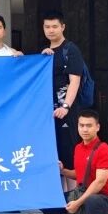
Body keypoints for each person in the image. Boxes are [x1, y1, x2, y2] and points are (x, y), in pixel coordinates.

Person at [42, 110, 108, 214]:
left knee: (92, 201)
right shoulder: (78, 148)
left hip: (104, 199)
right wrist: (62, 170)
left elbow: (99, 182)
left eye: (89, 125)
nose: (85, 129)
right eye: (81, 125)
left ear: (97, 127)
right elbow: (79, 174)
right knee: (48, 204)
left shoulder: (104, 150)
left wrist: (77, 203)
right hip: (82, 193)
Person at [40, 10, 87, 168]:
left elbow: (75, 81)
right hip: (49, 112)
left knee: (69, 153)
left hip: (67, 112)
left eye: (54, 26)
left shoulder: (71, 49)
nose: (51, 30)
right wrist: (42, 59)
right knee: (55, 154)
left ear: (63, 27)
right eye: (47, 27)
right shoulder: (46, 52)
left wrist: (66, 106)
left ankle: (73, 184)